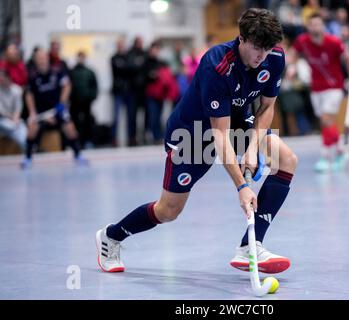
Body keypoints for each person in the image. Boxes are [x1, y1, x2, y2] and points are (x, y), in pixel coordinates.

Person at [96, 8, 297, 274]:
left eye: (268, 48)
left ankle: (251, 246)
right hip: (192, 135)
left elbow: (267, 107)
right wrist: (241, 187)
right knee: (168, 210)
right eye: (257, 48)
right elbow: (219, 136)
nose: (262, 56)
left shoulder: (274, 58)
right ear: (242, 39)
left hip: (235, 122)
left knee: (286, 159)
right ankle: (111, 236)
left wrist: (251, 148)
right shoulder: (217, 65)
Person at [293, 13, 349, 172]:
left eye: (318, 24)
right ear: (307, 27)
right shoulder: (302, 41)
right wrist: (291, 67)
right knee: (324, 122)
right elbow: (292, 54)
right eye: (312, 24)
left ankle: (324, 156)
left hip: (334, 87)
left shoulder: (333, 42)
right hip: (316, 88)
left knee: (326, 118)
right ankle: (341, 149)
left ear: (322, 26)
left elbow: (348, 57)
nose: (315, 27)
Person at [21, 49, 87, 169]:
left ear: (47, 58)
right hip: (41, 111)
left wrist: (62, 103)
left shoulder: (57, 71)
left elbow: (67, 86)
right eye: (39, 58)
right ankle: (28, 158)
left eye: (43, 58)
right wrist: (32, 111)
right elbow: (29, 94)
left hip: (57, 109)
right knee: (32, 129)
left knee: (70, 128)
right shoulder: (32, 76)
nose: (42, 61)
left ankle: (78, 154)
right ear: (35, 60)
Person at [69, 51, 98, 148]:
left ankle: (87, 141)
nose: (81, 59)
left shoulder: (90, 72)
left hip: (87, 102)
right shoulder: (72, 72)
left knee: (87, 122)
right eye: (79, 57)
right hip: (75, 102)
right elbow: (68, 87)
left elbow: (94, 86)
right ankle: (76, 142)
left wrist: (91, 97)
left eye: (83, 57)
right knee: (75, 122)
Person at [110, 38, 132, 147]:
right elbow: (119, 69)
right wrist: (126, 68)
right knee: (116, 117)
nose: (121, 47)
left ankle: (130, 139)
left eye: (122, 45)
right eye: (119, 45)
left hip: (127, 91)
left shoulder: (128, 57)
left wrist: (126, 67)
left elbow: (130, 69)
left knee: (129, 116)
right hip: (118, 91)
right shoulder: (113, 58)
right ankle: (114, 139)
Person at [0, 68, 27, 151]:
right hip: (2, 121)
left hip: (15, 120)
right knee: (9, 125)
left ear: (8, 78)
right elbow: (1, 111)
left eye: (2, 79)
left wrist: (15, 119)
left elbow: (18, 107)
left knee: (23, 133)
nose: (1, 81)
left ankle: (27, 154)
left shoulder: (17, 90)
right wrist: (12, 118)